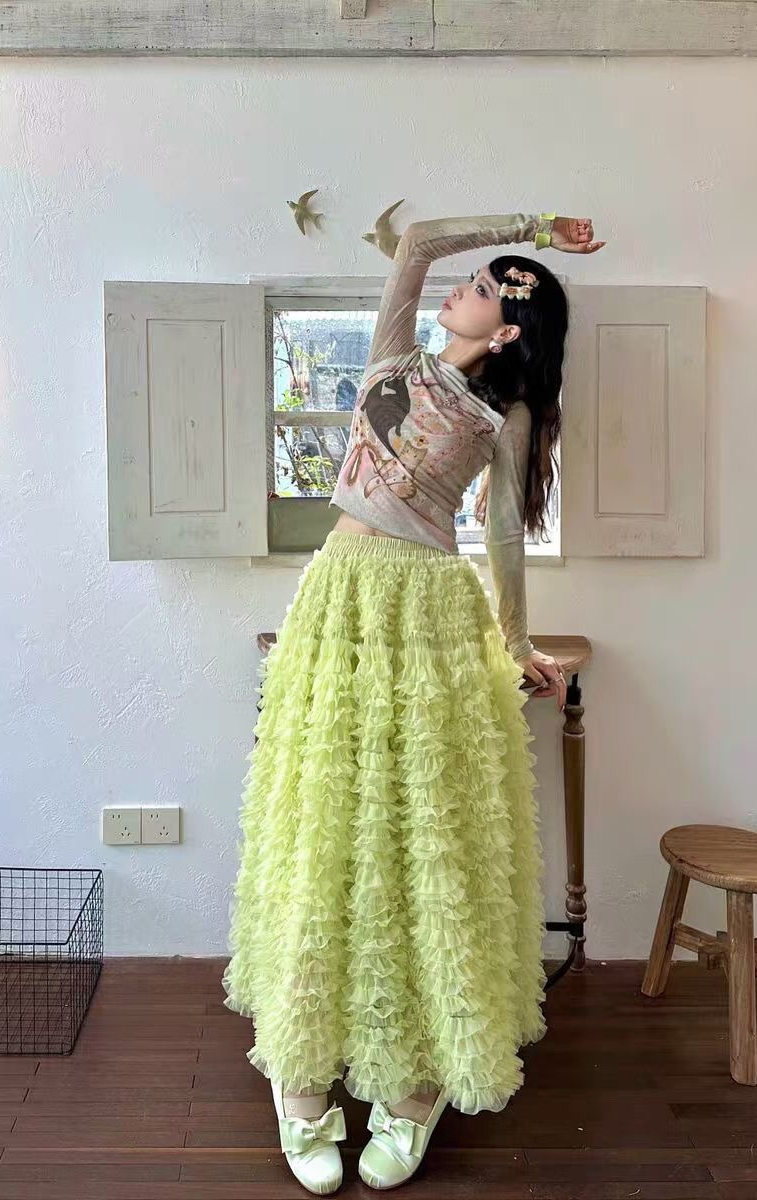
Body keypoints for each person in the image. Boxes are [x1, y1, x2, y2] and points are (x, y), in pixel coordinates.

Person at [221, 210, 606, 1195]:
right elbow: (419, 241)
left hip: (432, 607)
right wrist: (532, 227)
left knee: (423, 828)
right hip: (339, 596)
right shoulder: (395, 356)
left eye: (484, 290)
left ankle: (418, 1079)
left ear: (508, 329)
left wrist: (515, 646)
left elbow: (506, 537)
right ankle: (303, 1071)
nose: (459, 290)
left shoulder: (501, 419)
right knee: (328, 820)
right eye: (472, 280)